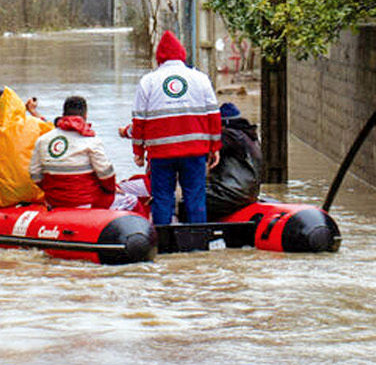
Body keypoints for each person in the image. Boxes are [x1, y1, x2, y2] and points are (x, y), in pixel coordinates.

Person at [129, 30, 222, 239]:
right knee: (195, 197)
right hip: (195, 152)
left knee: (162, 197)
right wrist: (215, 148)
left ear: (159, 57)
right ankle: (198, 242)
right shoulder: (200, 79)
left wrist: (138, 151)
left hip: (161, 154)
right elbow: (213, 117)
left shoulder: (148, 81)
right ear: (182, 55)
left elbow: (139, 121)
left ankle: (163, 242)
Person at [29, 95, 118, 210]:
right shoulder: (91, 141)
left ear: (63, 114)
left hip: (54, 202)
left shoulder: (43, 140)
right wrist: (112, 189)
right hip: (87, 203)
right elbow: (106, 175)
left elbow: (34, 174)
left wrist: (54, 191)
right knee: (131, 200)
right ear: (85, 115)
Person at [204, 102, 265, 219]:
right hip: (250, 195)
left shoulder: (228, 136)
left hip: (227, 195)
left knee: (189, 199)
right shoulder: (252, 138)